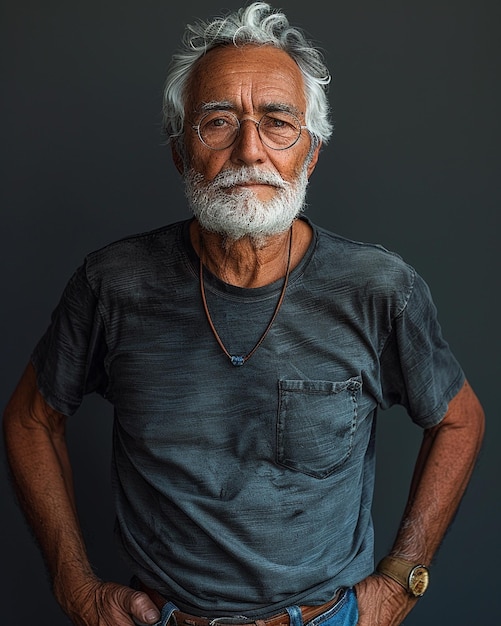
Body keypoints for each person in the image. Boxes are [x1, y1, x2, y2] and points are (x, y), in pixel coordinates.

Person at [3, 3, 484, 626]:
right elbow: (29, 421)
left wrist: (402, 580)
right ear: (180, 153)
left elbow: (459, 420)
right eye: (218, 122)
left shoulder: (380, 289)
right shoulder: (112, 285)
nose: (249, 150)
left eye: (278, 122)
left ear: (309, 153)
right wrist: (75, 587)